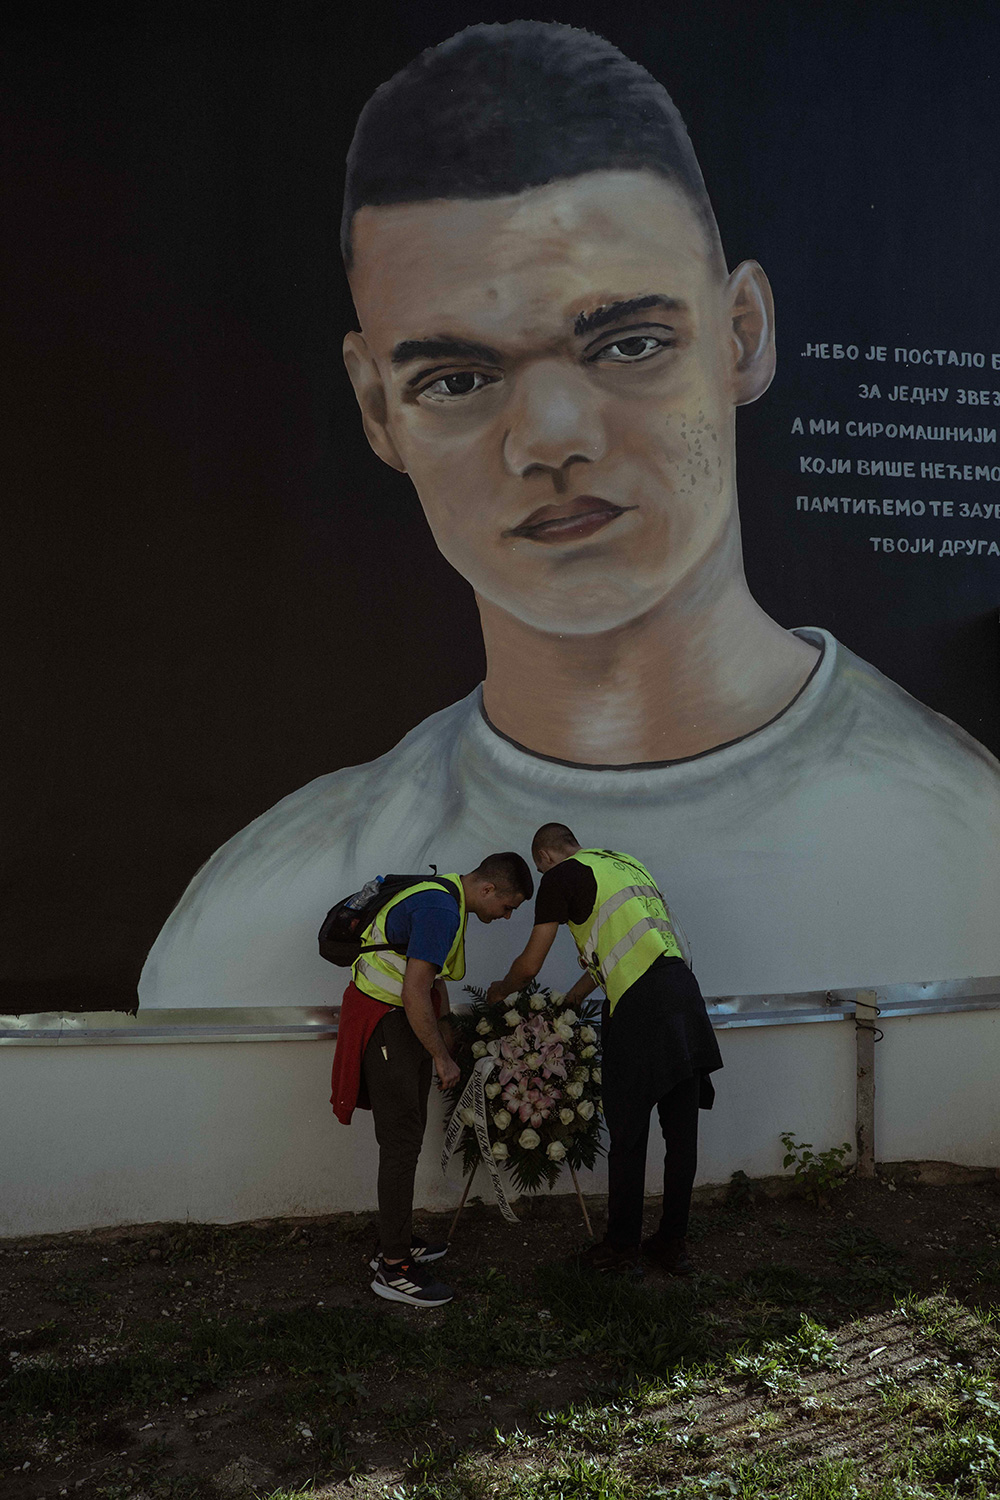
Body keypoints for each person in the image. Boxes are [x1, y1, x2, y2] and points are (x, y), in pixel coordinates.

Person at [139, 21, 1000, 1019]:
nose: (550, 439)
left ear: (742, 336)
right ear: (378, 410)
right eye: (457, 378)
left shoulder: (967, 843)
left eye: (630, 344)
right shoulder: (248, 924)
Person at [488, 825, 721, 1275]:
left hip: (639, 1008)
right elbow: (630, 952)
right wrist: (575, 996)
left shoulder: (560, 876)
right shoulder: (625, 865)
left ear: (545, 857)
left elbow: (530, 964)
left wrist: (502, 989)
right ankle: (672, 1243)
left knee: (628, 1134)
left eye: (540, 869)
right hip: (684, 997)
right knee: (681, 1136)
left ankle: (622, 1248)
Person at [331, 851, 532, 1306]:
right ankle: (394, 1267)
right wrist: (442, 1057)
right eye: (508, 907)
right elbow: (414, 990)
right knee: (400, 1144)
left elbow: (429, 978)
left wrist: (442, 1033)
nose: (506, 917)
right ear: (487, 889)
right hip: (389, 1024)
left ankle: (395, 1239)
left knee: (406, 1138)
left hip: (397, 1022)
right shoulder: (441, 909)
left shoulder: (442, 896)